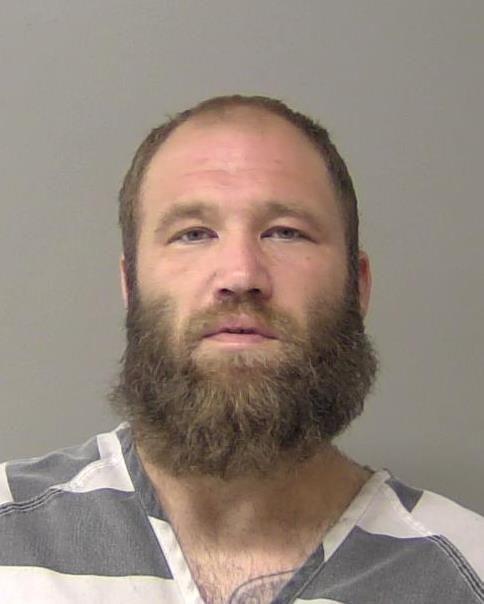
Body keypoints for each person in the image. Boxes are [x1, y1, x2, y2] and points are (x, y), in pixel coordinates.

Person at [0, 95, 482, 604]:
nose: (240, 274)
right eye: (193, 234)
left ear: (357, 286)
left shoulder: (468, 573)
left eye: (286, 233)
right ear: (130, 286)